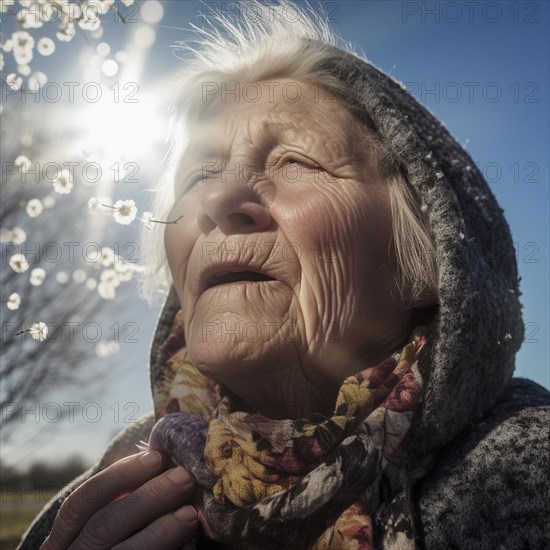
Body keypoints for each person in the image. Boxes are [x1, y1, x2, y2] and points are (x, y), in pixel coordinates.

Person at [19, 1, 549, 549]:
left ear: (425, 261)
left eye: (297, 162)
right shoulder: (105, 496)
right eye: (200, 173)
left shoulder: (525, 481)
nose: (219, 198)